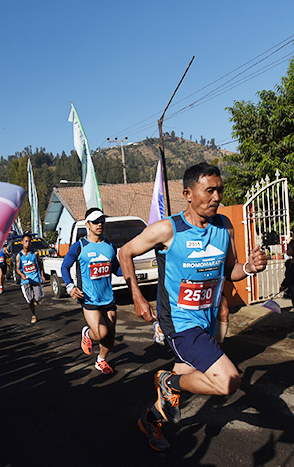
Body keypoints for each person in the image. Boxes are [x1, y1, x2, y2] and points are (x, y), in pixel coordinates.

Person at [118, 162, 267, 452]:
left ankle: (151, 420)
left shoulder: (224, 225)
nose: (217, 197)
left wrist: (249, 267)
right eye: (209, 190)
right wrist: (137, 295)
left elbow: (230, 270)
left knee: (188, 378)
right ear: (188, 193)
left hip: (206, 319)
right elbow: (125, 252)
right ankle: (169, 381)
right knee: (228, 381)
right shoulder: (168, 229)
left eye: (220, 191)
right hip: (180, 322)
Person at [61, 208, 122, 374]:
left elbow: (116, 269)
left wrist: (132, 271)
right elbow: (65, 267)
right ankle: (87, 333)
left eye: (102, 220)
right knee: (101, 333)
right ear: (87, 224)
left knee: (110, 335)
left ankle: (101, 360)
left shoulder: (110, 246)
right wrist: (70, 286)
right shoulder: (79, 246)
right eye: (95, 221)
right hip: (89, 298)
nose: (99, 224)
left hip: (108, 298)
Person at [16, 232, 45, 323]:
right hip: (26, 281)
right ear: (22, 242)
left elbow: (40, 264)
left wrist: (42, 274)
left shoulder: (35, 254)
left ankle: (36, 301)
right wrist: (22, 275)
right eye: (26, 241)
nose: (28, 243)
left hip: (35, 279)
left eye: (29, 241)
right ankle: (34, 315)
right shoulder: (19, 256)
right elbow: (17, 269)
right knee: (30, 300)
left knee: (39, 297)